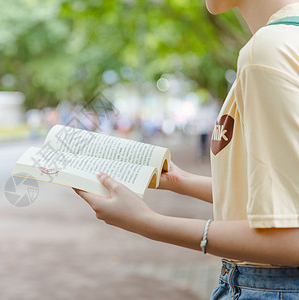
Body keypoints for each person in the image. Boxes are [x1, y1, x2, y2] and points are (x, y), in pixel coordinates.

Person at [74, 1, 299, 298]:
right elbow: (282, 198)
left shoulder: (266, 52)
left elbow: (291, 238)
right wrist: (181, 181)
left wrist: (148, 223)